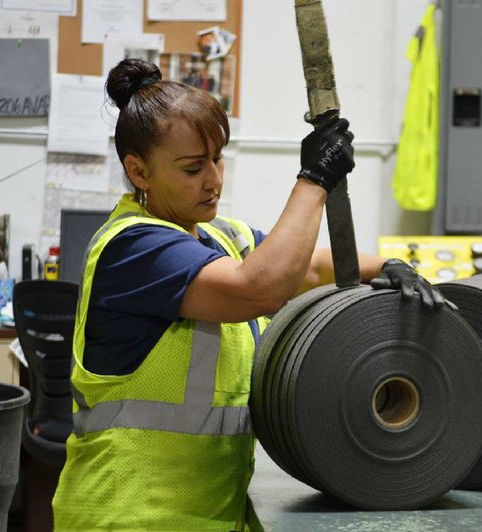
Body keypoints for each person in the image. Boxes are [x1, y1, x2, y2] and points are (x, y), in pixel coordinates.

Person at [52, 58, 445, 531]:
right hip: (130, 516)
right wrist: (315, 179)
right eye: (193, 168)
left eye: (217, 159)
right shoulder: (133, 248)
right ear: (139, 172)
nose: (214, 180)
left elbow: (310, 267)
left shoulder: (220, 238)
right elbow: (259, 288)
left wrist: (388, 266)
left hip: (211, 516)